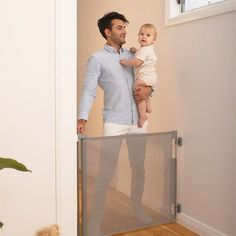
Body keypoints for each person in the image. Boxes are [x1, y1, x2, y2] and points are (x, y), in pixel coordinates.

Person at [77, 12, 153, 235]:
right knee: (105, 173)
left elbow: (146, 78)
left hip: (139, 122)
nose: (125, 31)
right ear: (107, 32)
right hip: (114, 122)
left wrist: (150, 89)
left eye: (125, 27)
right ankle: (94, 223)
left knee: (139, 169)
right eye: (120, 27)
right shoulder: (97, 59)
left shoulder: (134, 55)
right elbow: (89, 90)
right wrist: (82, 117)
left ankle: (137, 209)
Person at [120, 23, 158, 128]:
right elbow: (141, 56)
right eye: (141, 34)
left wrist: (126, 62)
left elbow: (137, 62)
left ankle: (142, 116)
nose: (144, 36)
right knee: (143, 90)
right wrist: (135, 51)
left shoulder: (145, 50)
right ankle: (148, 106)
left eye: (148, 35)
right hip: (151, 77)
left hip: (145, 76)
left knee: (137, 90)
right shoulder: (145, 49)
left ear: (153, 40)